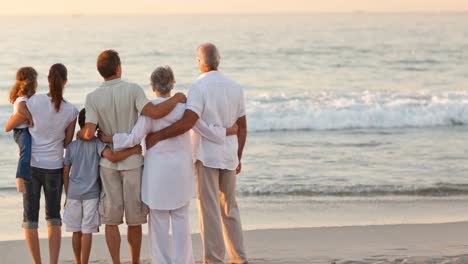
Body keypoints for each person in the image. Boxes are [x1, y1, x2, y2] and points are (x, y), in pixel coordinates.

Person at [99, 65, 238, 264]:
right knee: (181, 220)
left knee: (158, 222)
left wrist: (109, 138)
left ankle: (162, 261)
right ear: (172, 84)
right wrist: (228, 131)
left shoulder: (149, 112)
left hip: (157, 173)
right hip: (180, 171)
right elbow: (204, 130)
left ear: (152, 85)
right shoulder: (184, 108)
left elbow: (133, 138)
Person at [77, 50, 186, 264]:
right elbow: (154, 113)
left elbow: (89, 133)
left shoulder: (92, 97)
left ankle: (117, 262)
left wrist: (80, 133)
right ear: (118, 68)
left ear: (101, 72)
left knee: (111, 219)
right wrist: (176, 99)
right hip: (133, 162)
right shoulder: (133, 89)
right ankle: (135, 261)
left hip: (108, 164)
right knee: (134, 219)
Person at [145, 43, 248, 264]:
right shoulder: (235, 86)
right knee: (230, 207)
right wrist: (238, 155)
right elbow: (243, 126)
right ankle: (239, 257)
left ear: (201, 62)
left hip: (207, 156)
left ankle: (214, 259)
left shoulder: (198, 87)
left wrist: (158, 136)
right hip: (229, 155)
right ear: (218, 60)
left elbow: (189, 122)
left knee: (209, 209)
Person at [63, 108, 143, 264]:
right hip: (91, 194)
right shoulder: (97, 144)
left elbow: (66, 171)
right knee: (87, 231)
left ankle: (78, 261)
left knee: (75, 231)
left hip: (73, 194)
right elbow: (112, 158)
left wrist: (67, 193)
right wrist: (133, 150)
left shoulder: (71, 147)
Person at [16, 63, 78, 264]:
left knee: (30, 220)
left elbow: (19, 111)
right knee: (54, 218)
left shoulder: (34, 101)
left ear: (48, 80)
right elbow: (68, 143)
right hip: (54, 168)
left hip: (32, 167)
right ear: (65, 82)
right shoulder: (71, 110)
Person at [4, 67, 37, 193]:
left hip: (22, 130)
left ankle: (23, 177)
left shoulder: (24, 97)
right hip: (21, 131)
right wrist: (30, 118)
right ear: (30, 82)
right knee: (25, 152)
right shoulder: (22, 99)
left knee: (25, 152)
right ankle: (22, 176)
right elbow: (21, 109)